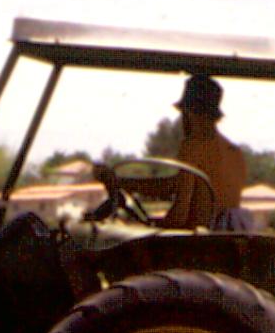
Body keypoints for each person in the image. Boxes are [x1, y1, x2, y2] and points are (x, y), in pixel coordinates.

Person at [96, 73, 252, 230]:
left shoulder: (193, 146)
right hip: (228, 240)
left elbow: (180, 214)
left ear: (190, 112)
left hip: (201, 245)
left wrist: (150, 228)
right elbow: (175, 185)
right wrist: (121, 182)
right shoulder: (235, 153)